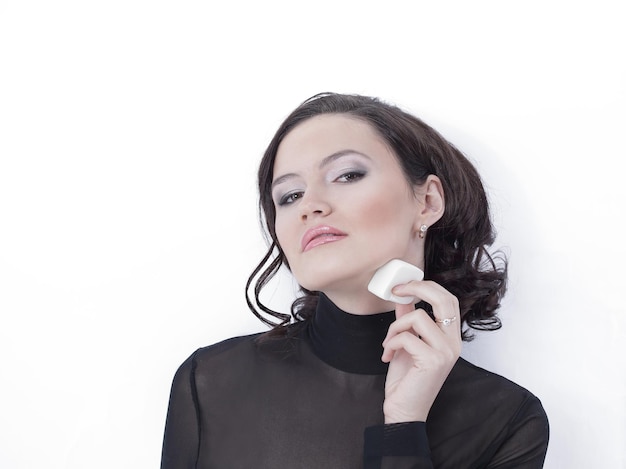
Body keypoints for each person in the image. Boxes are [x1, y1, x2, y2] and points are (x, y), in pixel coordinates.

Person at [160, 92, 549, 468]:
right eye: (290, 195)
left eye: (347, 175)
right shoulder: (210, 382)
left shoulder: (506, 421)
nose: (311, 205)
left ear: (428, 201)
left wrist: (403, 425)